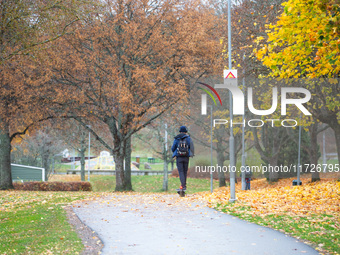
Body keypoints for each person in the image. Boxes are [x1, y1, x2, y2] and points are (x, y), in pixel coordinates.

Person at [171, 126, 194, 191]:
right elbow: (191, 147)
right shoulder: (188, 138)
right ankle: (184, 186)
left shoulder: (177, 138)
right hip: (186, 157)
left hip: (179, 157)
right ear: (186, 131)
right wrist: (190, 154)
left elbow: (173, 148)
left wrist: (176, 152)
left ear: (180, 131)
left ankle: (183, 186)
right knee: (185, 171)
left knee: (181, 171)